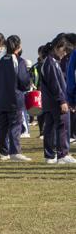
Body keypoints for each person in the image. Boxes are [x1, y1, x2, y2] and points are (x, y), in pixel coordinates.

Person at [0, 35, 32, 161]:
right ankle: (15, 151)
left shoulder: (1, 60)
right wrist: (28, 84)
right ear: (18, 46)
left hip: (1, 99)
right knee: (15, 125)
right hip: (14, 98)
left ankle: (3, 152)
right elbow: (24, 80)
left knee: (3, 127)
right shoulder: (18, 61)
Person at [41, 34, 76, 163]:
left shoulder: (51, 61)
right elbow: (55, 85)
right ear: (58, 47)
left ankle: (49, 155)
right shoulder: (51, 62)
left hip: (50, 102)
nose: (65, 53)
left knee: (49, 128)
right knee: (63, 126)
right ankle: (63, 154)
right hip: (56, 102)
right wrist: (62, 101)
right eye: (64, 50)